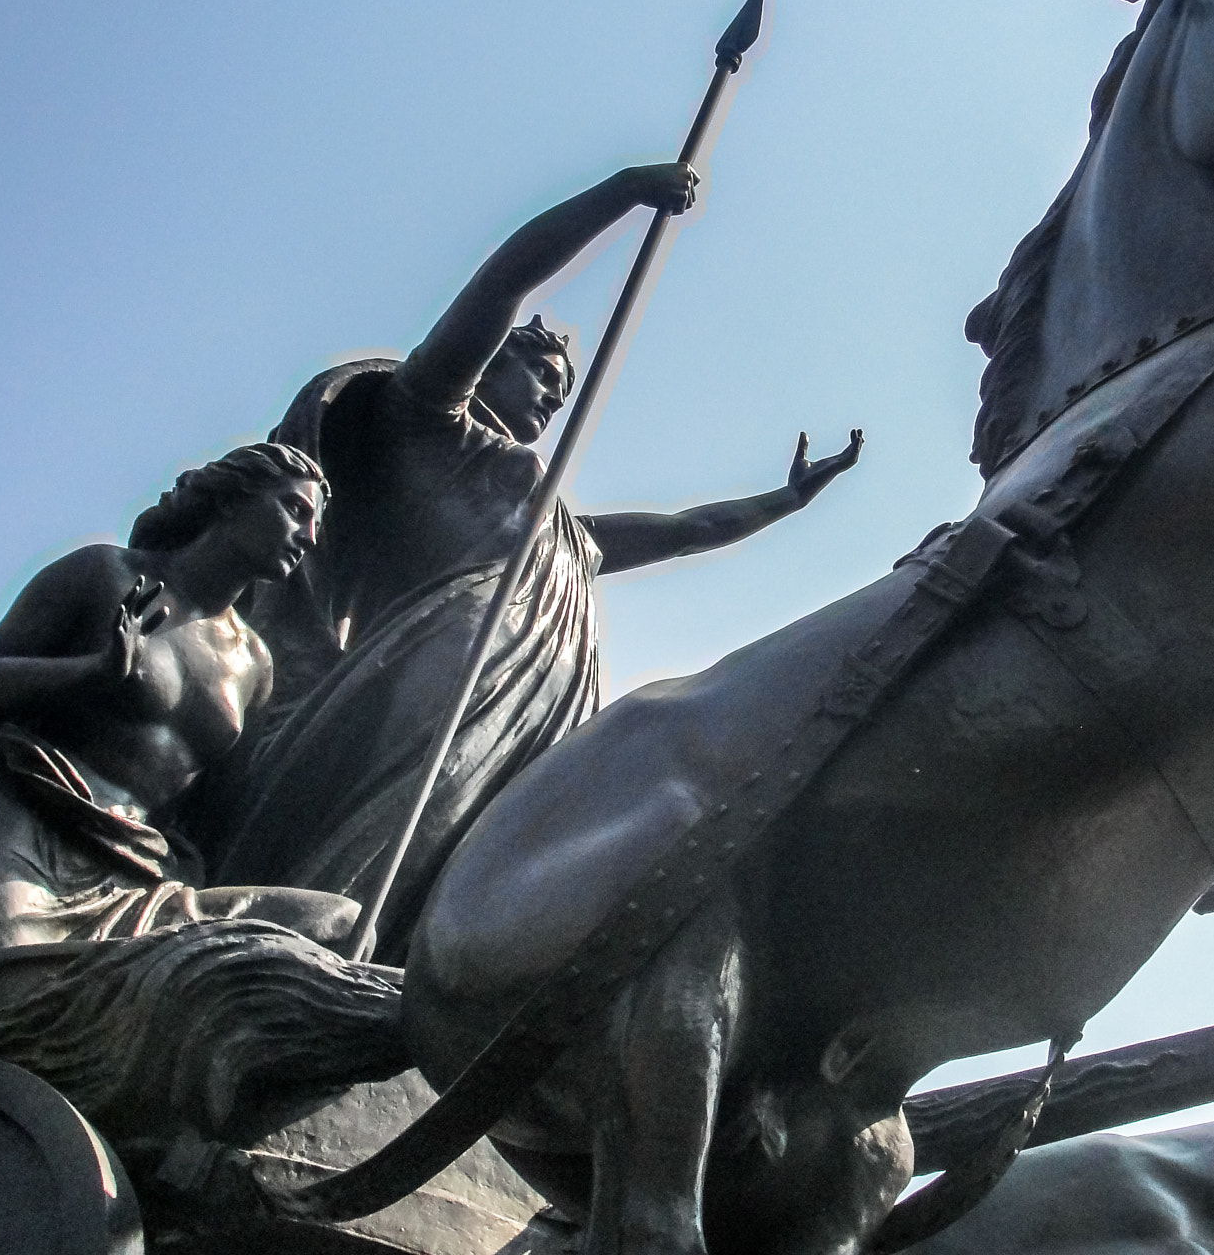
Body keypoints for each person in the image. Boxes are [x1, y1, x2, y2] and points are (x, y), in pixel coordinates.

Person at [194, 162, 863, 961]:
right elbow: (503, 283)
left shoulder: (560, 529)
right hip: (444, 684)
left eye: (562, 388)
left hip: (534, 723)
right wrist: (623, 192)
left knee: (476, 876)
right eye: (540, 374)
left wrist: (785, 502)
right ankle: (290, 958)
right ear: (492, 363)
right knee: (387, 846)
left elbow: (687, 528)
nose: (552, 397)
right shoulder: (428, 424)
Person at [0, 443, 360, 994]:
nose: (309, 536)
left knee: (340, 925)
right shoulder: (103, 574)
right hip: (20, 840)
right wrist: (89, 673)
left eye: (315, 522)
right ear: (231, 502)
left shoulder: (254, 665)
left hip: (140, 884)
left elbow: (220, 817)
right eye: (295, 509)